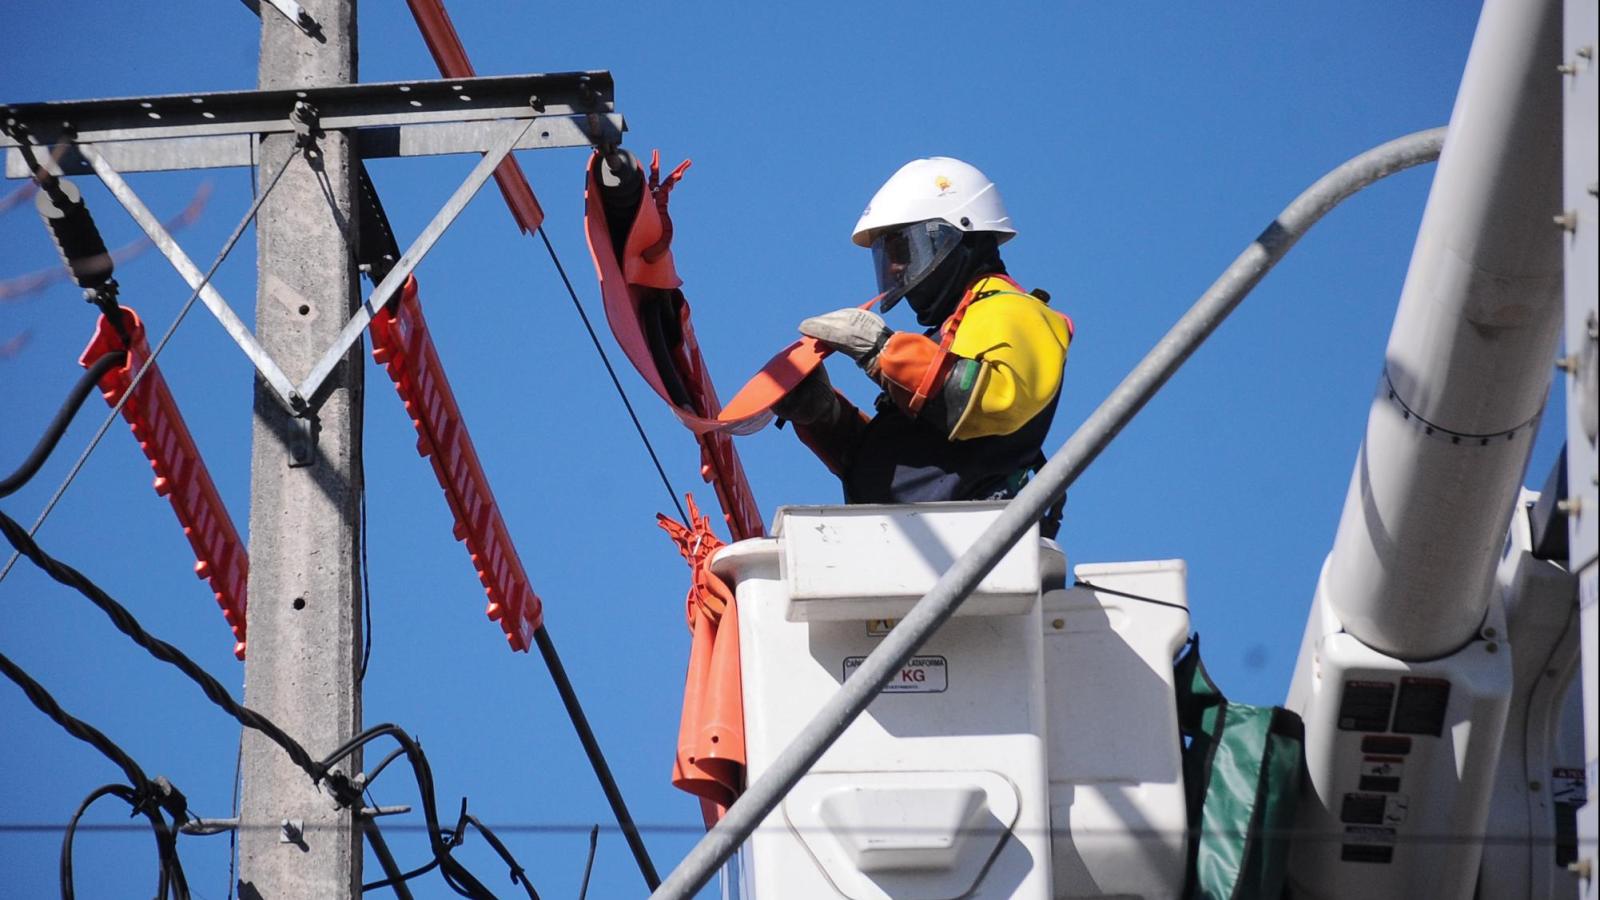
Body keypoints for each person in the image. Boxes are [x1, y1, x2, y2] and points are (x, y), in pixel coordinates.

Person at [774, 157, 1073, 525]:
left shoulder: (1014, 312)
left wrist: (883, 351)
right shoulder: (951, 335)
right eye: (887, 256)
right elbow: (916, 463)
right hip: (914, 545)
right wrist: (826, 418)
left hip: (976, 546)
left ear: (952, 234)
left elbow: (990, 403)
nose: (894, 268)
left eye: (902, 249)